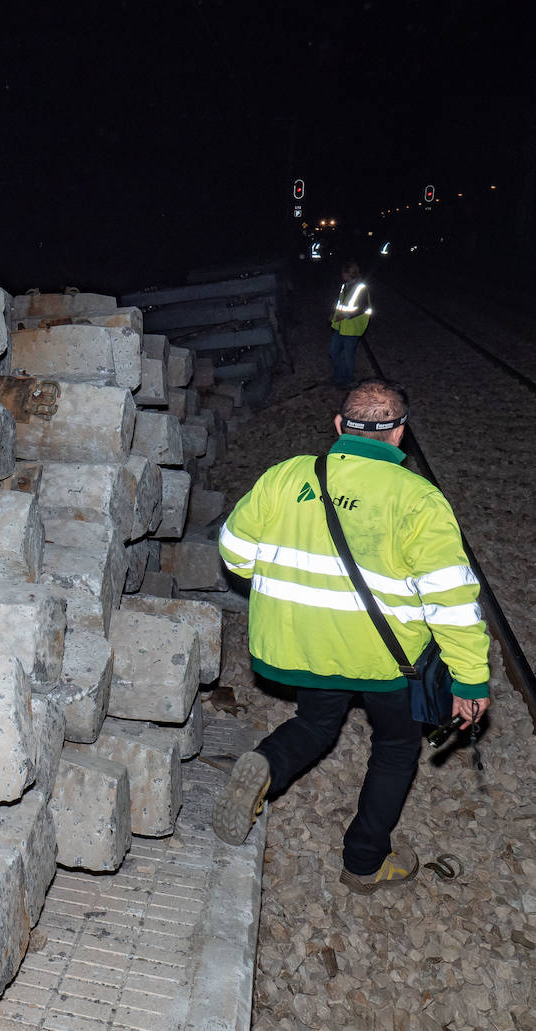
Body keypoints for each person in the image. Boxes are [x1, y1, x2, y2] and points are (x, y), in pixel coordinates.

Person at [213, 379, 490, 894]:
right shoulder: (420, 500)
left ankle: (265, 765)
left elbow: (232, 551)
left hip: (304, 646)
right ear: (400, 435)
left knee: (317, 722)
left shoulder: (288, 475)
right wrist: (470, 682)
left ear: (340, 427)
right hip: (388, 664)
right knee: (394, 747)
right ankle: (364, 862)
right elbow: (451, 603)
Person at [329, 260, 372, 388]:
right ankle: (339, 376)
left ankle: (347, 380)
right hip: (341, 326)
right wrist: (334, 315)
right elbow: (341, 304)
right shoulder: (345, 286)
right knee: (334, 351)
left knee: (348, 355)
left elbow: (362, 307)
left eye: (344, 273)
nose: (342, 275)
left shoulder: (361, 288)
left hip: (353, 328)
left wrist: (344, 316)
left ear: (348, 274)